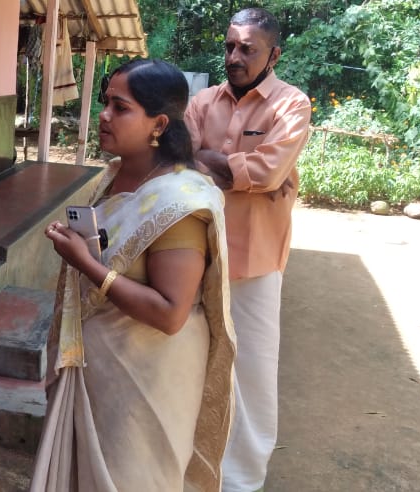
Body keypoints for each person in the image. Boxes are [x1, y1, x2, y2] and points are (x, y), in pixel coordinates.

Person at [31, 59, 236, 491]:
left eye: (119, 108)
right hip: (99, 371)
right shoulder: (117, 175)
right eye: (106, 102)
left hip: (147, 382)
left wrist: (84, 262)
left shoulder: (179, 202)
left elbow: (170, 313)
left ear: (158, 124)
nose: (104, 115)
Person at [183, 8, 312, 491]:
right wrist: (244, 172)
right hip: (197, 252)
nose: (234, 57)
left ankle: (241, 482)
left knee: (252, 373)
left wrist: (213, 161)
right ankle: (191, 465)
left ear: (273, 54)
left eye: (248, 49)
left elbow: (271, 172)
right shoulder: (201, 102)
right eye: (230, 46)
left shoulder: (291, 106)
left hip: (256, 260)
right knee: (193, 359)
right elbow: (178, 161)